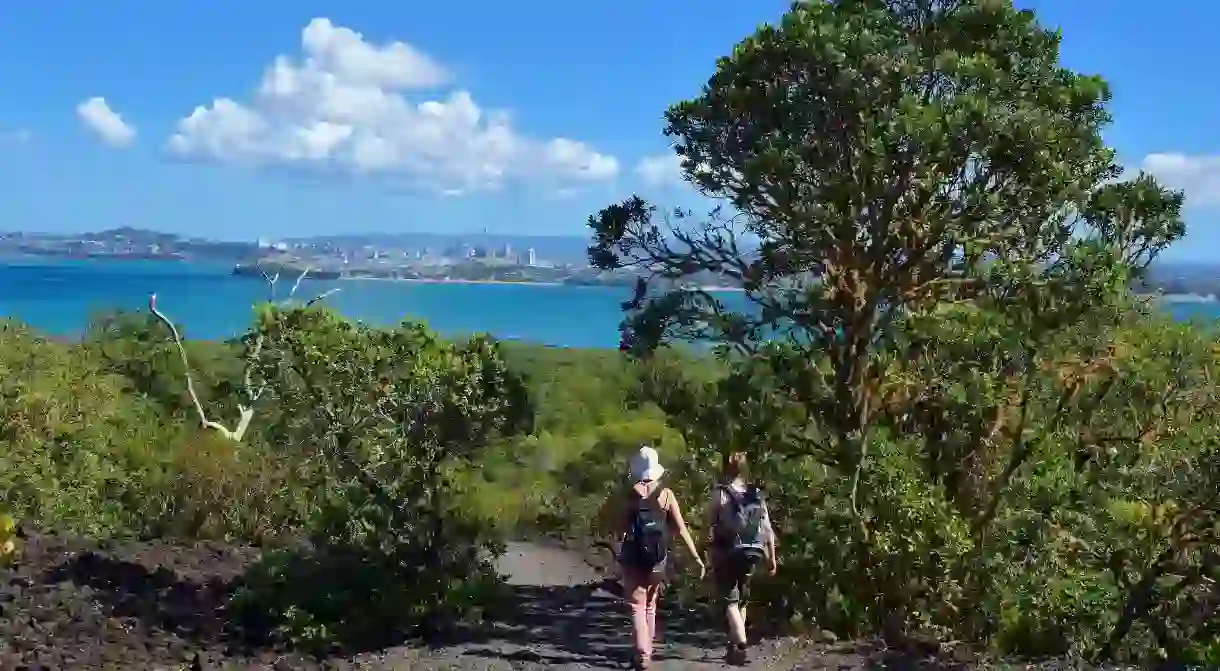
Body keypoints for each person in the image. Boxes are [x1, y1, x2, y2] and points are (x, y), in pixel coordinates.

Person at [615, 445, 705, 670]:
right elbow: (681, 529)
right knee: (651, 605)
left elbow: (619, 527)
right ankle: (648, 653)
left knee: (637, 604)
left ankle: (642, 656)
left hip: (634, 557)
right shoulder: (666, 495)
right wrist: (696, 557)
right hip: (658, 559)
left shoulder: (631, 494)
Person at [707, 451, 777, 666]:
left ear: (726, 469)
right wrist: (771, 557)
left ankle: (741, 643)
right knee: (742, 599)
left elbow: (709, 522)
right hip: (753, 551)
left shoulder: (720, 493)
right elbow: (767, 529)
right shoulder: (756, 494)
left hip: (727, 552)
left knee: (729, 600)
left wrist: (704, 546)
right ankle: (733, 648)